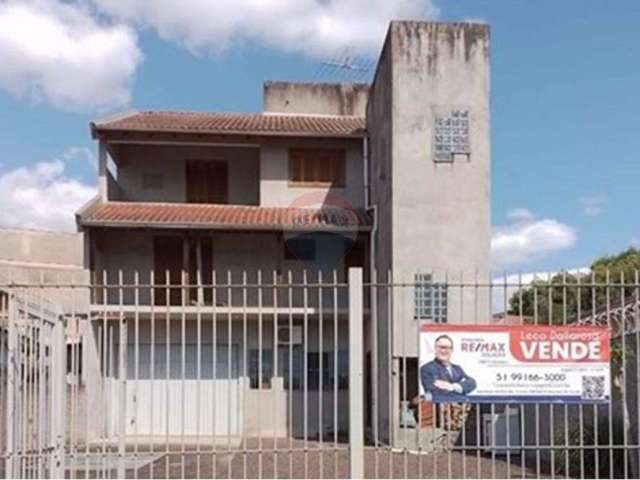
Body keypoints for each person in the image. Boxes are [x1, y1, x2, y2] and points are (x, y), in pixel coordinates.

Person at [420, 334, 476, 402]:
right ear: (435, 349)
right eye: (441, 347)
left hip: (459, 410)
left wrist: (453, 387)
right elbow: (435, 392)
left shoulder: (457, 368)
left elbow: (472, 383)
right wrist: (461, 394)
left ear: (452, 350)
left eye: (447, 348)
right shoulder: (426, 368)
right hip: (439, 409)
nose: (444, 351)